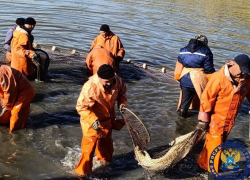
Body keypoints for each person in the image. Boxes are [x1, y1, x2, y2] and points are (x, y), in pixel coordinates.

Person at [195, 54, 250, 177]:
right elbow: (206, 99)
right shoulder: (218, 78)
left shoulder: (246, 79)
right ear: (233, 64)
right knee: (216, 147)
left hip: (230, 121)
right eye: (241, 71)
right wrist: (203, 121)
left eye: (246, 72)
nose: (243, 74)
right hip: (216, 120)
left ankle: (201, 166)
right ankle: (212, 174)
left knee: (213, 145)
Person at [75, 64, 127, 177]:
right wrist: (93, 120)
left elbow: (122, 93)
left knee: (106, 146)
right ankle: (82, 174)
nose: (109, 83)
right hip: (91, 121)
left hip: (107, 119)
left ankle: (104, 164)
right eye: (106, 82)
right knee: (88, 150)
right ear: (99, 78)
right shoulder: (90, 87)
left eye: (111, 81)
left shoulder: (117, 80)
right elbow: (81, 107)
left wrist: (122, 104)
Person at [174, 35, 215, 117]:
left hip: (185, 78)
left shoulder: (183, 50)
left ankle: (182, 117)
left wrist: (178, 77)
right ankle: (204, 119)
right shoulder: (206, 51)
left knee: (185, 101)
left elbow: (178, 67)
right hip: (199, 79)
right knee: (205, 101)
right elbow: (208, 70)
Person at [0, 65, 36, 132]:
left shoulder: (3, 74)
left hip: (23, 92)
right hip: (9, 91)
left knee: (16, 115)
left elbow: (9, 92)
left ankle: (15, 135)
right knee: (4, 114)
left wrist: (6, 106)